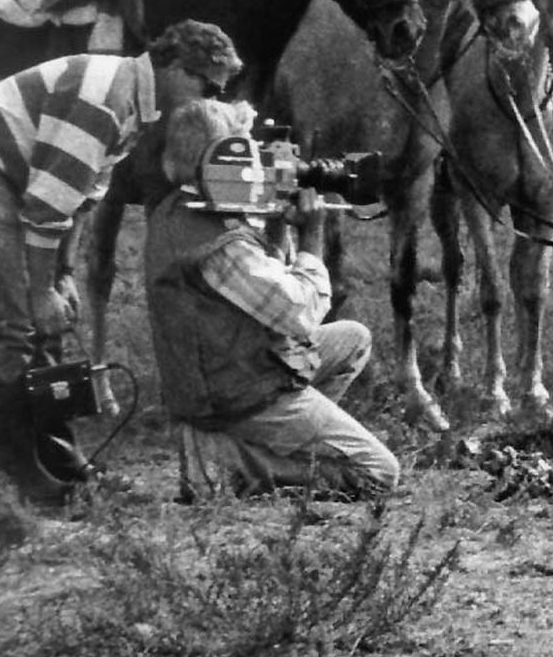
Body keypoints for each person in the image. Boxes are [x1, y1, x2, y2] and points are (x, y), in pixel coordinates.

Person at [0, 19, 242, 504]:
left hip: (17, 179)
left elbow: (81, 199)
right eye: (209, 86)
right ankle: (22, 485)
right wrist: (40, 293)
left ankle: (61, 463)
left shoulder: (135, 105)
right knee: (11, 329)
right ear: (177, 69)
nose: (212, 101)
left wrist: (61, 274)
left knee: (46, 330)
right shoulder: (102, 98)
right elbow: (46, 205)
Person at [142, 99, 400, 500]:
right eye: (246, 151)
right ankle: (228, 465)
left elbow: (267, 289)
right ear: (220, 159)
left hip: (228, 372)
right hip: (239, 393)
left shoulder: (179, 210)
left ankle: (270, 445)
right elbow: (300, 316)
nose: (257, 164)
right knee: (379, 473)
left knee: (353, 338)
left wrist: (277, 227)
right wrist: (312, 237)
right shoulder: (219, 246)